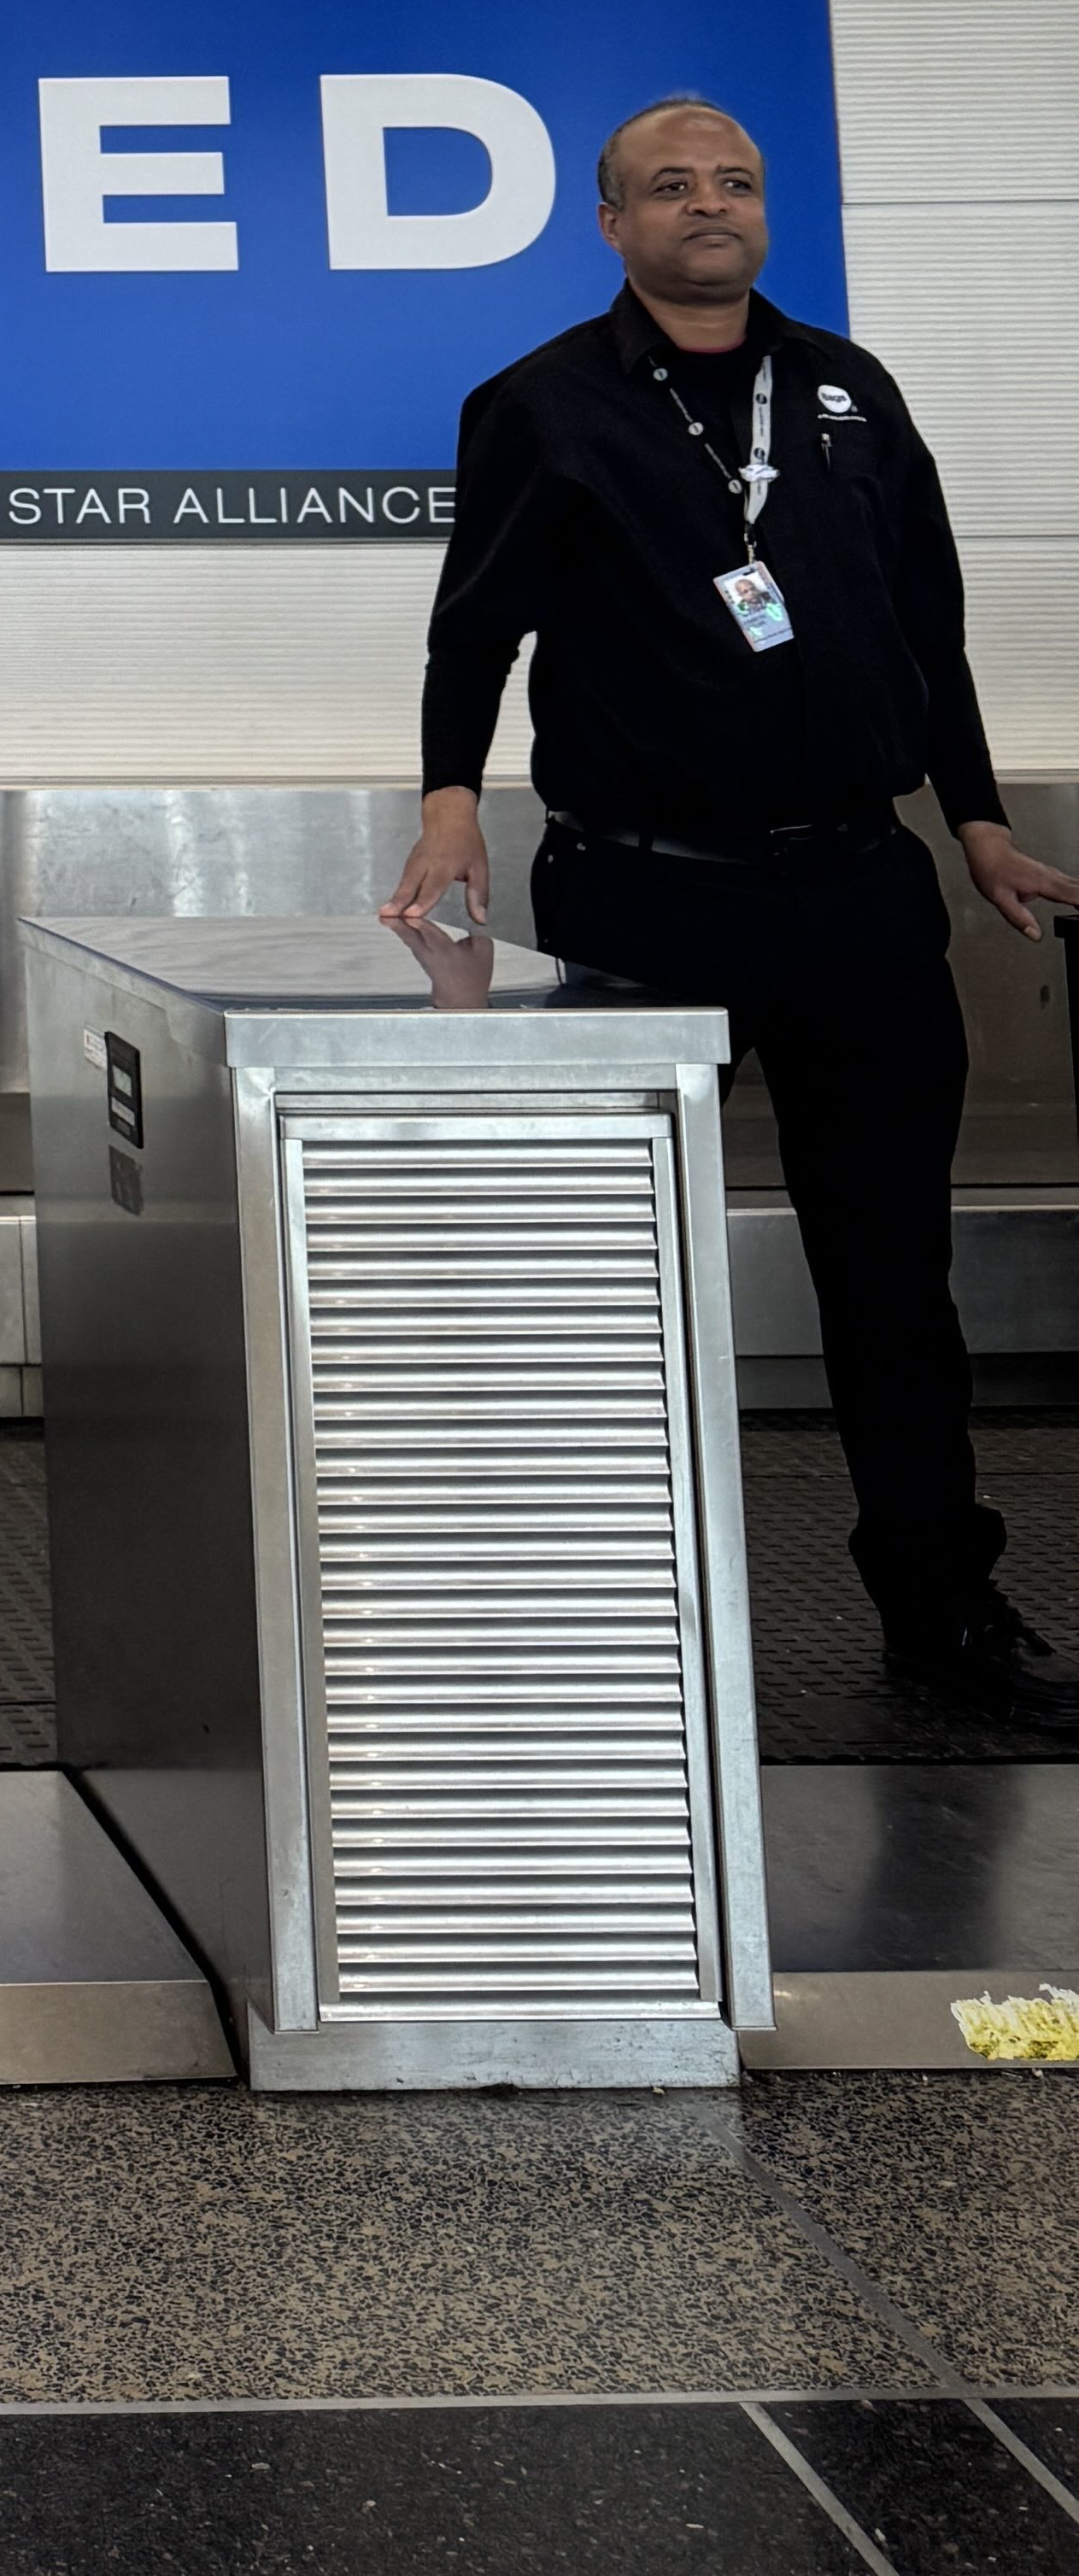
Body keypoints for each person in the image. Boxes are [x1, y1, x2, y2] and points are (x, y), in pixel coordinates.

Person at [384, 94, 1079, 1721]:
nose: (711, 204)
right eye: (672, 186)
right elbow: (473, 629)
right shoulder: (543, 405)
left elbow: (929, 627)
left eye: (737, 182)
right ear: (613, 225)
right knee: (615, 1285)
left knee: (894, 1275)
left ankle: (943, 1614)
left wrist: (977, 822)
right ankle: (599, 1630)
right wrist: (448, 800)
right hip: (645, 899)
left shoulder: (850, 391)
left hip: (859, 894)